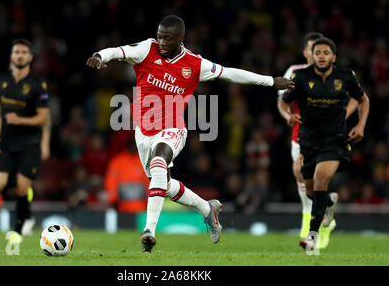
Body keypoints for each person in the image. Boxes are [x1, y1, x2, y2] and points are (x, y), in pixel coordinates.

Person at [86, 15, 294, 252]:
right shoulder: (147, 48)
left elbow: (230, 73)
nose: (161, 41)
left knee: (158, 164)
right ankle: (208, 209)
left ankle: (149, 231)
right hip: (143, 131)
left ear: (180, 38)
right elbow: (118, 51)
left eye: (167, 37)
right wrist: (100, 56)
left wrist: (270, 81)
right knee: (162, 183)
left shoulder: (195, 64)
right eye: (160, 35)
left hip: (173, 129)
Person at [281, 37, 369, 255]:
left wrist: (360, 124)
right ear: (312, 55)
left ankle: (312, 238)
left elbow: (363, 99)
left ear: (334, 57)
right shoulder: (300, 77)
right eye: (317, 52)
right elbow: (283, 101)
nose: (321, 56)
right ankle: (329, 202)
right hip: (309, 139)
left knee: (321, 179)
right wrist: (288, 116)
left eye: (325, 52)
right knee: (311, 190)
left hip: (335, 139)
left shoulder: (345, 76)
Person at [0, 38, 50, 244]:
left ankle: (19, 228)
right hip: (5, 142)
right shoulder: (2, 79)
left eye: (24, 52)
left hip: (29, 143)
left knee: (22, 189)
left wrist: (19, 120)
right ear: (11, 56)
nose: (19, 55)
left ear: (30, 57)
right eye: (16, 52)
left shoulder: (37, 85)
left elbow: (43, 117)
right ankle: (26, 210)